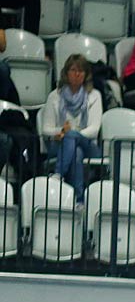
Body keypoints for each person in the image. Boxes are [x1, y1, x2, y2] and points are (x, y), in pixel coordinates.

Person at [41, 55, 100, 198]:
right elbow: (46, 129)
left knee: (72, 138)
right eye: (73, 70)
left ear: (86, 74)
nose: (77, 74)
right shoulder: (55, 96)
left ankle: (58, 174)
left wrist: (72, 133)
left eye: (81, 71)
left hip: (89, 145)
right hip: (59, 144)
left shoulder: (94, 95)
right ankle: (78, 200)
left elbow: (94, 129)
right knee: (76, 152)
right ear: (66, 73)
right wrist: (61, 131)